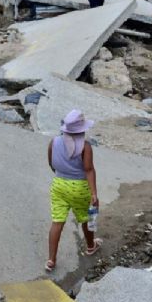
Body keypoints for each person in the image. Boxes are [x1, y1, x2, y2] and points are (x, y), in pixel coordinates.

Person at [45, 109, 100, 272]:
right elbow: (89, 169)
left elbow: (52, 164)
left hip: (59, 185)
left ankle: (51, 260)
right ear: (82, 130)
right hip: (79, 187)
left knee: (57, 222)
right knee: (86, 217)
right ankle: (91, 246)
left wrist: (62, 176)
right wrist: (94, 193)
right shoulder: (85, 146)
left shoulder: (53, 142)